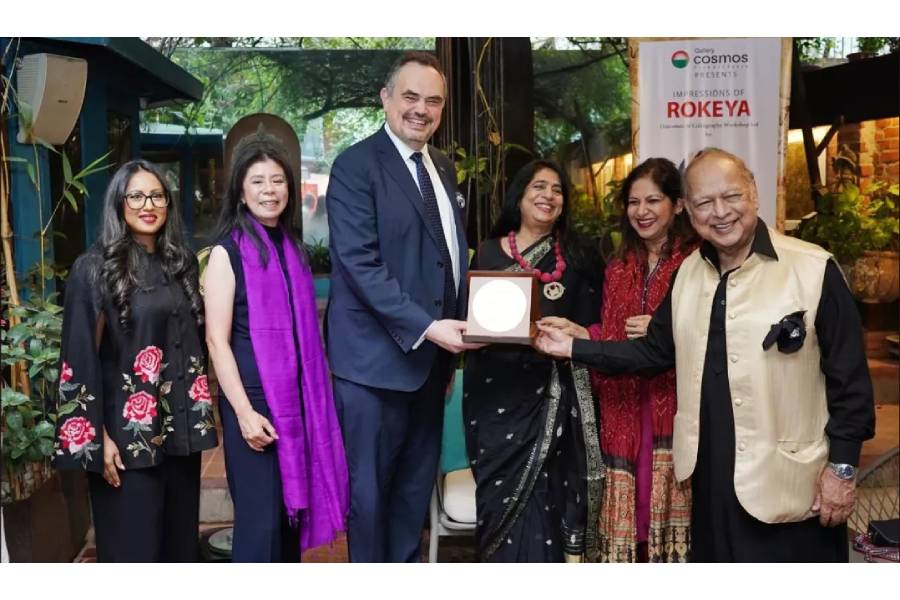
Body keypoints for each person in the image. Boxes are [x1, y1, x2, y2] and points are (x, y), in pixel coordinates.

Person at [536, 148, 876, 562]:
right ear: (690, 212)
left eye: (731, 197)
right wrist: (572, 347)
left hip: (792, 484)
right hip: (712, 485)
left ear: (753, 192)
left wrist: (842, 470)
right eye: (704, 203)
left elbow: (851, 384)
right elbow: (652, 352)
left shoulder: (812, 268)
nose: (720, 213)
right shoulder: (688, 274)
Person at [326, 51, 478, 562]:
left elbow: (446, 261)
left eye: (433, 100)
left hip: (430, 365)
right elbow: (358, 264)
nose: (421, 109)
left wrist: (449, 354)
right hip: (373, 368)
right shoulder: (354, 165)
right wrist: (431, 328)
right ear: (385, 98)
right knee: (370, 498)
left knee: (414, 491)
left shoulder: (444, 168)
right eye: (410, 96)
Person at [52, 159, 216, 562]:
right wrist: (97, 437)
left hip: (181, 432)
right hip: (125, 439)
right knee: (134, 553)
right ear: (119, 204)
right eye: (137, 195)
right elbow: (79, 357)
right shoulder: (94, 269)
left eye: (157, 195)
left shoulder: (182, 265)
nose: (149, 204)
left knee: (179, 550)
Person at [542, 158, 698, 562]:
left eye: (653, 201)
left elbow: (717, 333)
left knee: (667, 509)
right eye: (633, 202)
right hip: (623, 405)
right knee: (632, 511)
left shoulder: (698, 263)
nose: (641, 211)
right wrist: (582, 334)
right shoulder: (619, 265)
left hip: (674, 405)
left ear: (678, 205)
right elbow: (609, 335)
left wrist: (666, 328)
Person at [203, 134, 348, 562]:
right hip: (252, 407)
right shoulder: (226, 254)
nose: (270, 190)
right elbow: (216, 339)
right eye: (258, 182)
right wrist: (244, 415)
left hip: (296, 405)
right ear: (241, 193)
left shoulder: (293, 250)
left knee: (288, 524)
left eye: (278, 181)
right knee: (260, 525)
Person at [463, 160, 604, 562]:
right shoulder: (488, 251)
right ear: (520, 196)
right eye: (538, 187)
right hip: (493, 398)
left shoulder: (579, 255)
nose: (548, 195)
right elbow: (471, 317)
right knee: (497, 499)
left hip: (553, 398)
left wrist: (576, 330)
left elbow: (597, 325)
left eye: (557, 189)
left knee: (548, 499)